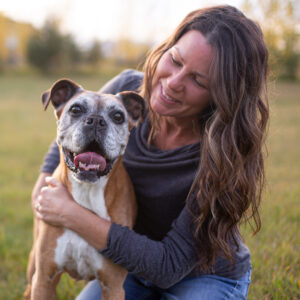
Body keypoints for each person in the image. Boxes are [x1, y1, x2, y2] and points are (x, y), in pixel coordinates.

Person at [32, 5, 269, 300]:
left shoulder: (223, 153)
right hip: (128, 266)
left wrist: (68, 212)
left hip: (202, 275)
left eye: (198, 80)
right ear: (166, 48)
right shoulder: (128, 89)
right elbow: (74, 128)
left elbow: (168, 267)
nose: (173, 83)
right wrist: (44, 183)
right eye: (175, 60)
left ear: (222, 95)